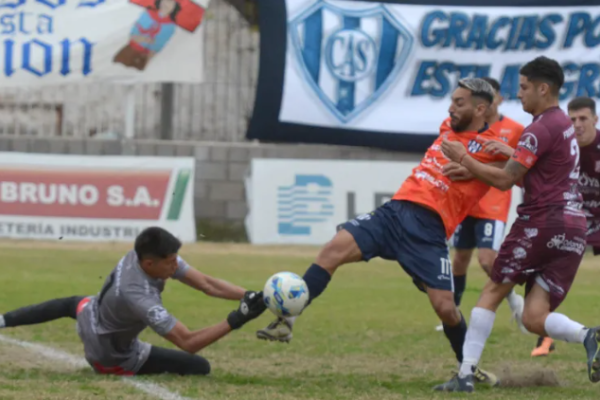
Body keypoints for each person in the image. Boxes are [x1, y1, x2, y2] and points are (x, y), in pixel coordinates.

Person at [257, 78, 510, 387]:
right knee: (333, 249)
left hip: (429, 231)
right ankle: (289, 319)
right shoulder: (449, 126)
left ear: (480, 108)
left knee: (446, 308)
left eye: (459, 103)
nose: (450, 108)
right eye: (452, 101)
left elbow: (523, 170)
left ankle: (468, 370)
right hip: (395, 211)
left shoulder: (493, 144)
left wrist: (474, 166)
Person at [434, 56, 600, 392]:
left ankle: (466, 374)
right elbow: (538, 172)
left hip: (542, 222)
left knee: (492, 292)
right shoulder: (562, 125)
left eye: (523, 87)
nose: (517, 94)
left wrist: (464, 158)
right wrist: (504, 154)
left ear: (543, 88)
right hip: (572, 230)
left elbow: (507, 181)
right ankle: (589, 336)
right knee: (533, 317)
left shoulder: (538, 128)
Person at [0, 226, 266, 376]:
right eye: (171, 262)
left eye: (176, 259)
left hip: (91, 312)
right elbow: (189, 342)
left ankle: (2, 320)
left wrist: (250, 296)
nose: (176, 267)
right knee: (200, 367)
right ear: (150, 263)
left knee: (69, 303)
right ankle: (109, 362)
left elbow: (207, 284)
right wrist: (237, 318)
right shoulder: (140, 296)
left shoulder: (145, 256)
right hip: (109, 353)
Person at [435, 77, 526, 333]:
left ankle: (514, 301)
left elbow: (520, 164)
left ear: (497, 99)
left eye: (495, 96)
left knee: (487, 259)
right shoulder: (466, 126)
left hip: (493, 202)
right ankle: (452, 313)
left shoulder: (514, 129)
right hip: (467, 202)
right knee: (460, 260)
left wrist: (478, 169)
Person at [531, 96, 600, 357]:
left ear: (595, 119)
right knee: (547, 274)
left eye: (583, 118)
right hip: (571, 220)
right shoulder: (561, 147)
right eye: (572, 119)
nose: (578, 124)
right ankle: (544, 336)